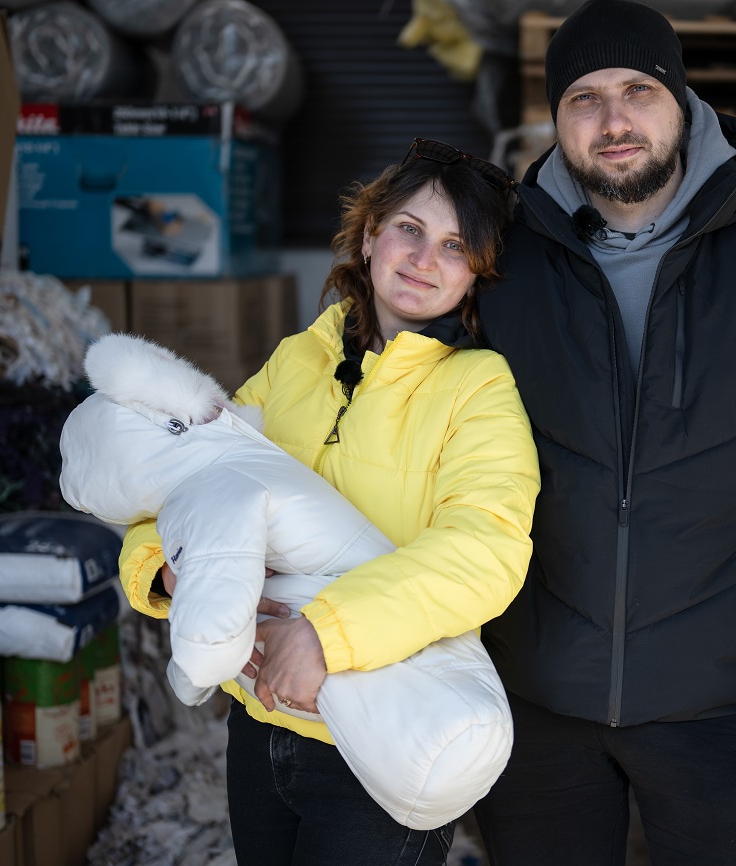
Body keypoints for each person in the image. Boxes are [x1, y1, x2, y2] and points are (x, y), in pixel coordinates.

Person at [471, 1, 736, 864]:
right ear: (555, 120)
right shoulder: (501, 257)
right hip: (535, 695)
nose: (614, 120)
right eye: (584, 98)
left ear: (683, 102)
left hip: (721, 700)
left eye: (638, 90)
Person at [114, 139, 540, 865]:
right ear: (370, 234)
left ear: (478, 271)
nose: (424, 259)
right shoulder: (297, 359)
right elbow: (188, 474)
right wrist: (167, 566)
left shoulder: (479, 389)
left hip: (376, 735)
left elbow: (484, 553)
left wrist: (325, 636)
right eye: (409, 229)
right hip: (258, 721)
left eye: (454, 246)